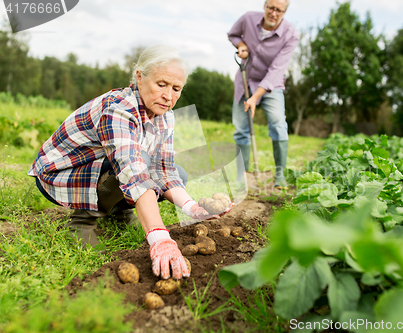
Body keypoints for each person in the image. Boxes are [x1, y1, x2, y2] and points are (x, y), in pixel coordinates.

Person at [28, 45, 229, 280]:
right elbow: (133, 171)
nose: (168, 96)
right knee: (140, 161)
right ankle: (82, 220)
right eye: (161, 84)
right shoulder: (119, 109)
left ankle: (120, 212)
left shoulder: (165, 114)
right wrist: (159, 237)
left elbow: (163, 169)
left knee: (178, 174)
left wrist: (191, 208)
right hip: (64, 174)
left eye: (176, 89)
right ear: (140, 77)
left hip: (103, 168)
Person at [228, 0, 299, 189]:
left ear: (285, 12)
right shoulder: (248, 19)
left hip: (271, 85)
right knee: (241, 129)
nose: (274, 13)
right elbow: (233, 35)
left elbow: (277, 69)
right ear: (265, 6)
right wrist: (242, 45)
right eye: (271, 8)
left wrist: (255, 97)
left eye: (279, 10)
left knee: (278, 124)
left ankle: (279, 176)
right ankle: (241, 176)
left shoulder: (290, 34)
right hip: (245, 80)